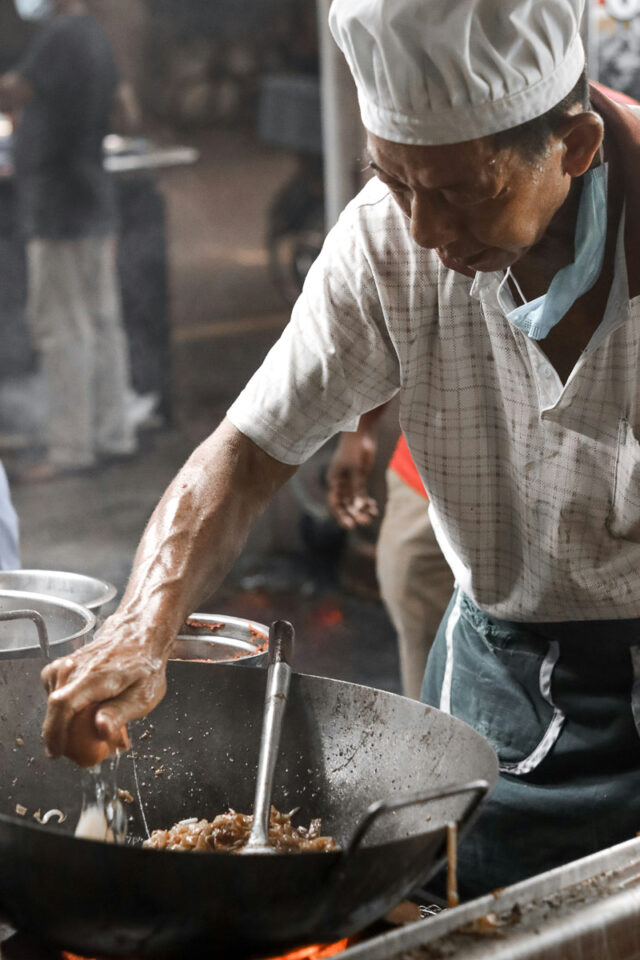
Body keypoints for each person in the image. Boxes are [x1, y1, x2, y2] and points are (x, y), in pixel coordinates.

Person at [37, 0, 640, 898]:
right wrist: (140, 627)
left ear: (577, 147)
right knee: (468, 920)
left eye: (460, 192)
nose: (427, 232)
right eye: (397, 181)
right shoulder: (387, 240)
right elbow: (246, 452)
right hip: (502, 675)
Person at [0, 0, 137, 480]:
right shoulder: (95, 36)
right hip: (90, 198)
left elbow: (13, 91)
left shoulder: (62, 34)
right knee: (100, 323)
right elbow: (125, 110)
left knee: (60, 329)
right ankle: (111, 435)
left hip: (59, 205)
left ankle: (69, 449)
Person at [327, 408, 453, 700]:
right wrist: (358, 431)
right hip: (427, 480)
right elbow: (379, 360)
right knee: (429, 674)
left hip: (559, 494)